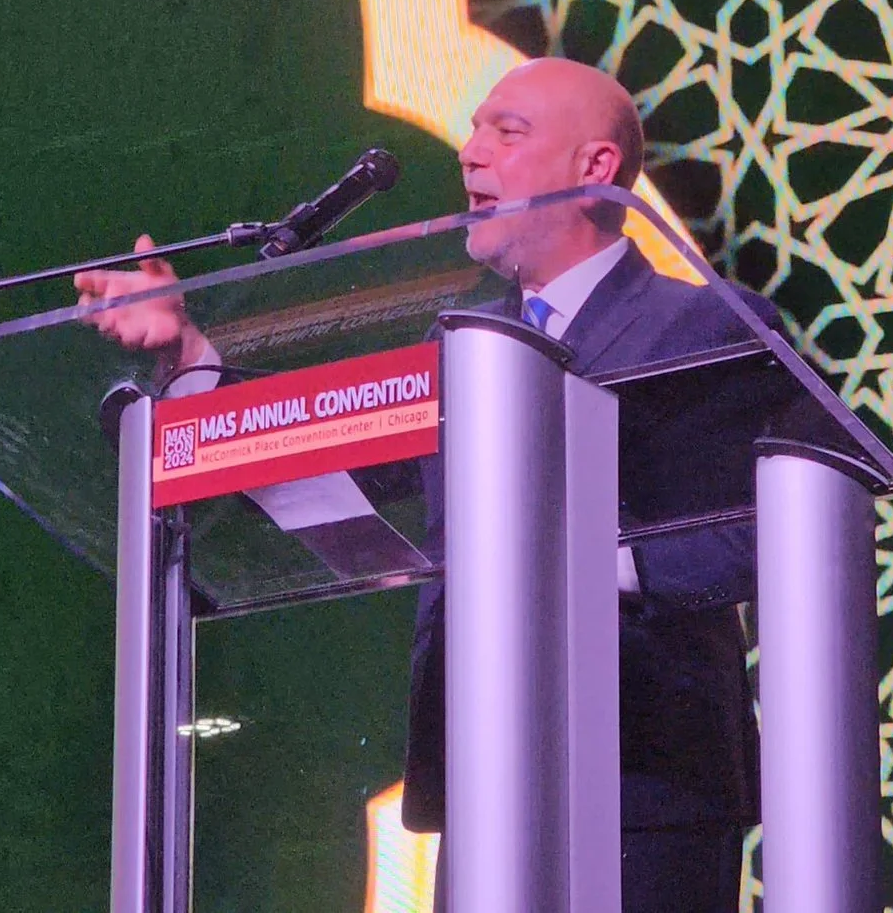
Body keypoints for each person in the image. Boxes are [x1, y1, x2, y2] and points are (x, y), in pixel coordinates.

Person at [75, 57, 774, 913]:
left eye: (506, 133)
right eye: (473, 130)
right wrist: (189, 358)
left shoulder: (702, 320)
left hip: (647, 784)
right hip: (485, 790)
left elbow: (777, 526)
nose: (470, 153)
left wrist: (596, 565)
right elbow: (327, 454)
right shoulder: (464, 353)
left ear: (594, 168)